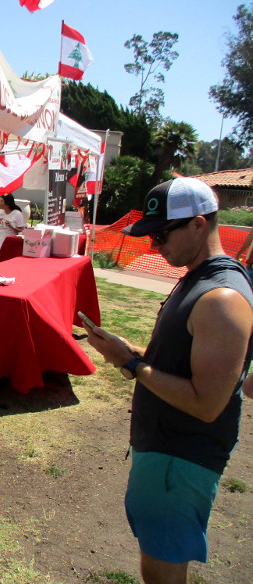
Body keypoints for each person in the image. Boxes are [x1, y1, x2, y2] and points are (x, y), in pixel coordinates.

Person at [84, 177, 253, 584]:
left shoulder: (221, 299)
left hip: (180, 457)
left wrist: (131, 363)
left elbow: (206, 403)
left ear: (198, 224)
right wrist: (131, 351)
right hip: (166, 449)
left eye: (161, 234)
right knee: (158, 554)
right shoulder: (199, 277)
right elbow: (184, 362)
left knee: (163, 566)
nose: (154, 245)